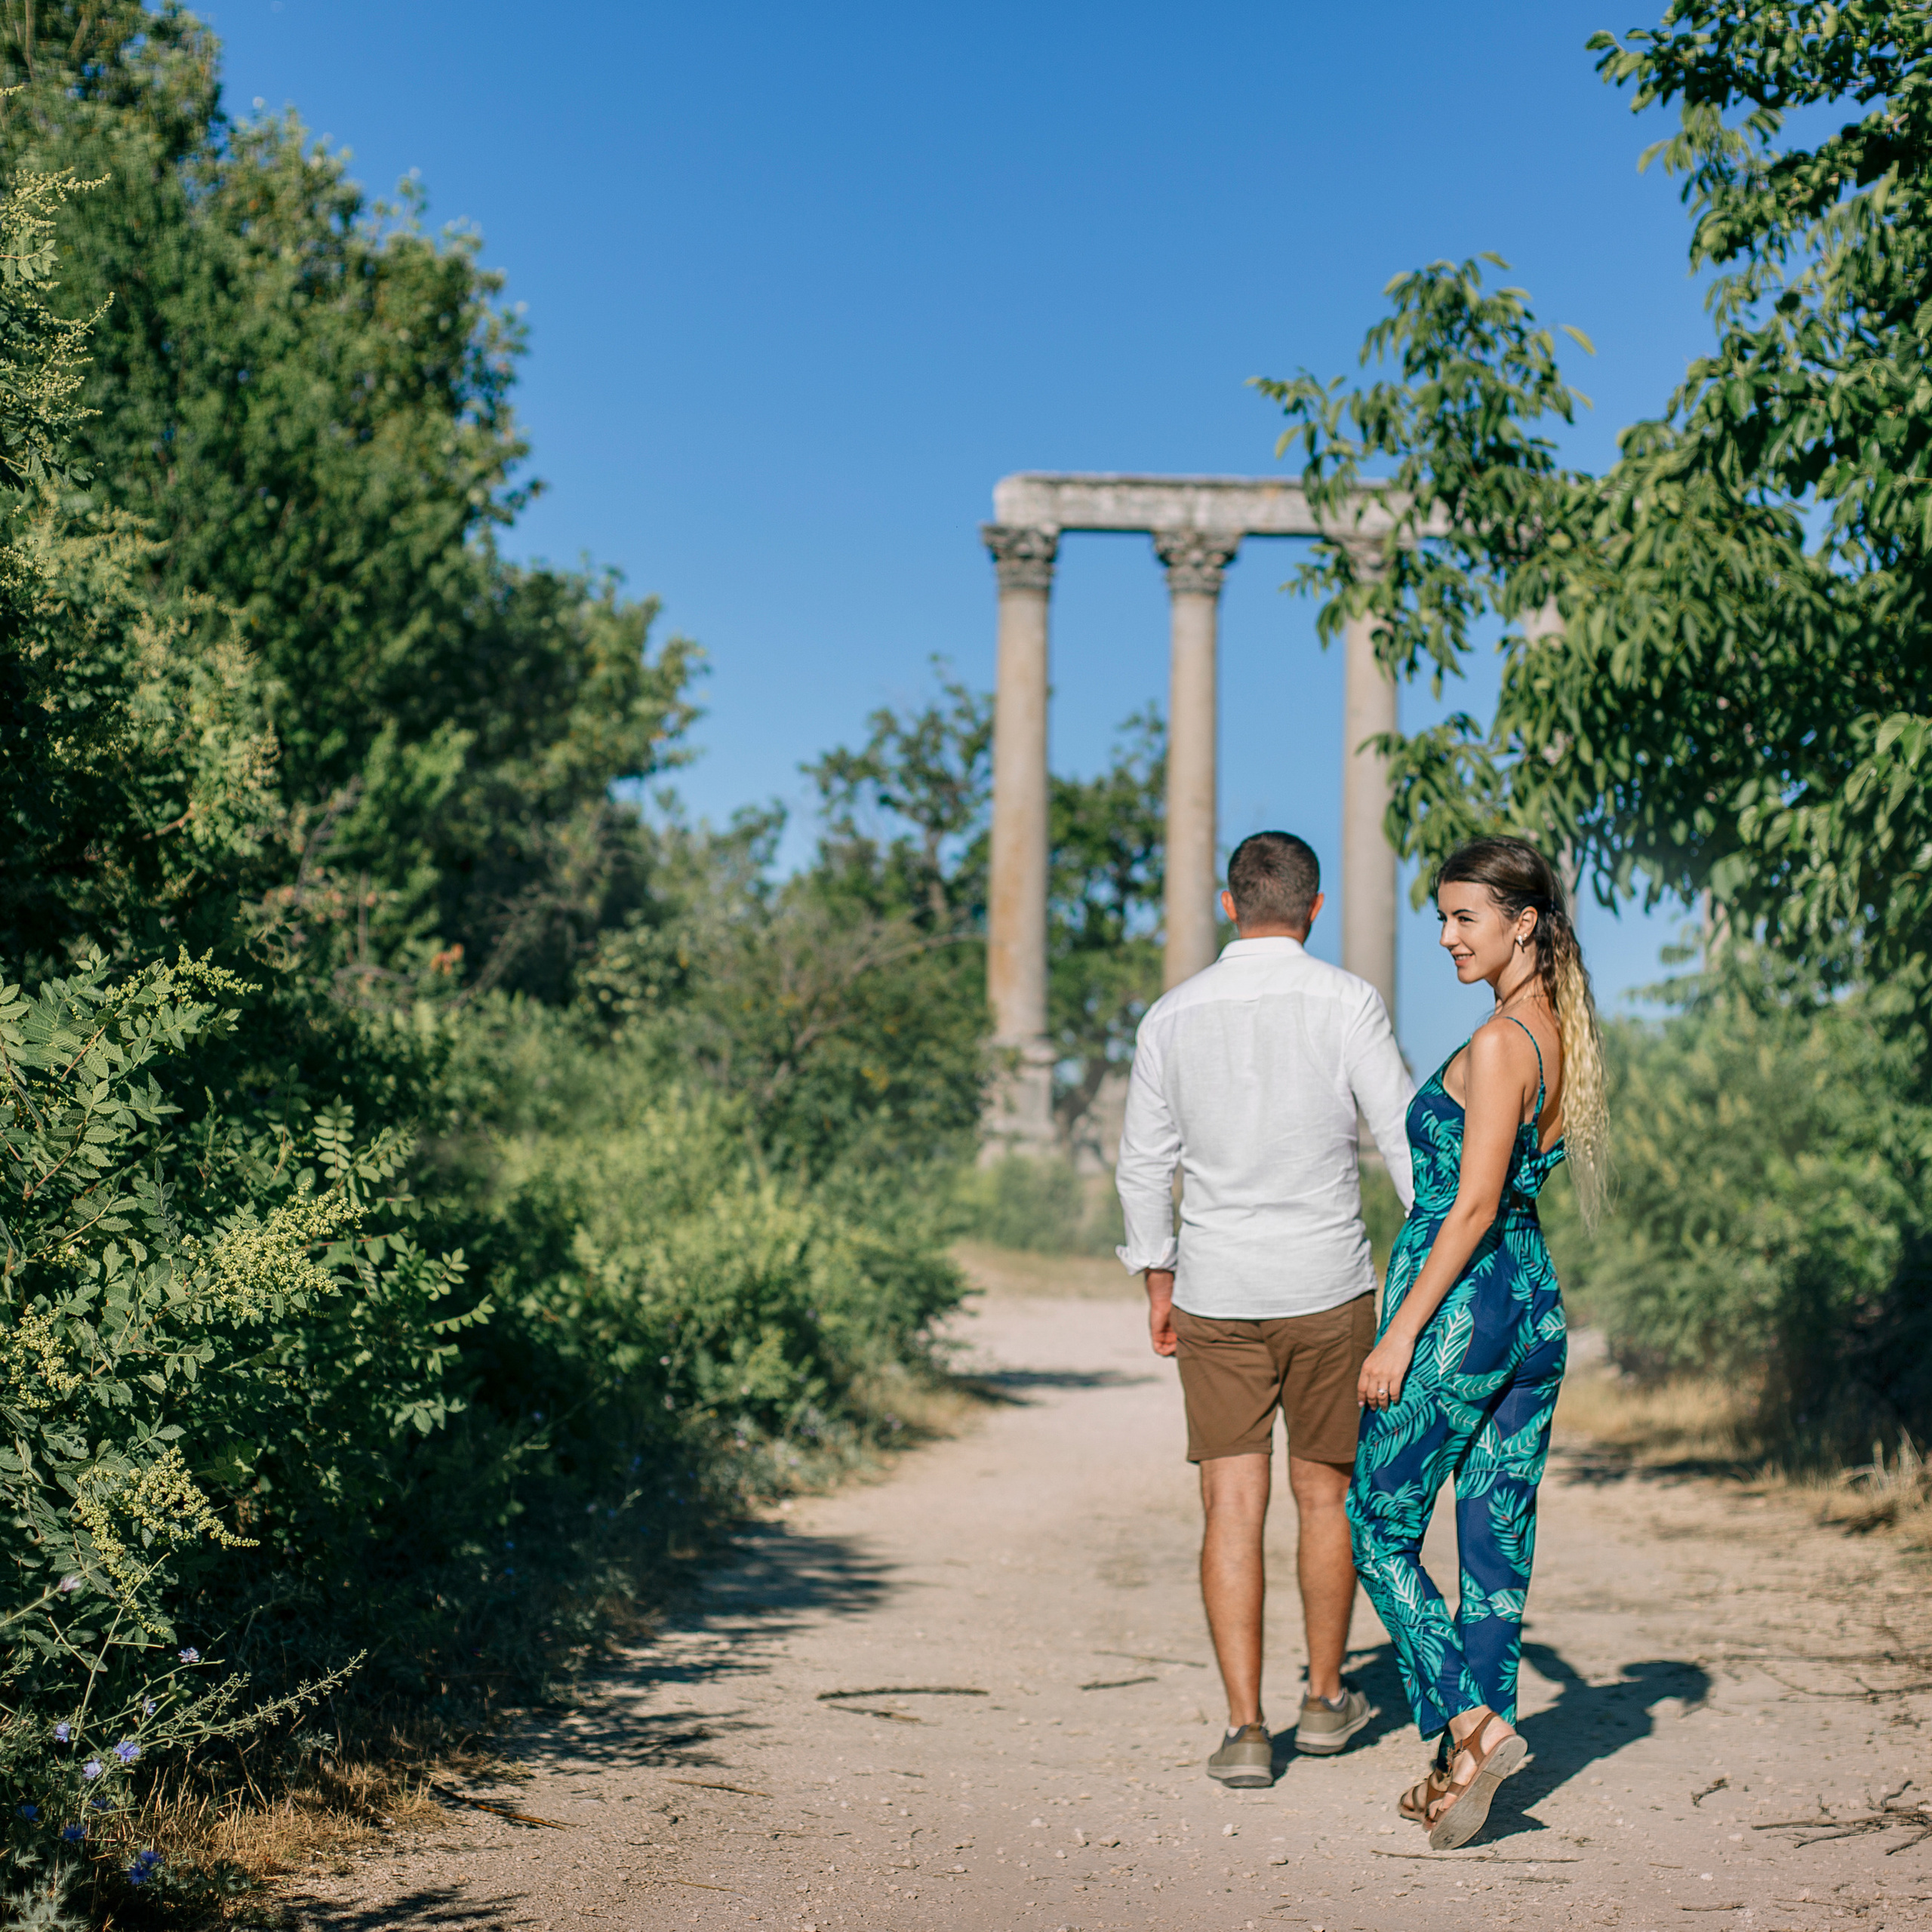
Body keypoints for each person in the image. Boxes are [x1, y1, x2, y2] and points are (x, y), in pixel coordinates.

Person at [1115, 830, 1414, 1789]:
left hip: (1216, 1290)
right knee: (1324, 1496)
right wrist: (1434, 1262)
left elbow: (1141, 1164)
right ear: (1314, 907)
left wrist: (1158, 1280)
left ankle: (1246, 1729)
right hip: (1329, 1287)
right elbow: (1405, 1141)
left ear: (1228, 902)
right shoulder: (1346, 1001)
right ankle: (1325, 1700)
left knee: (1229, 1504)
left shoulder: (1172, 1014)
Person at [1346, 835, 1609, 1851]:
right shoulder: (1561, 1030)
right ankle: (1464, 1781)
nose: (1449, 938)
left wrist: (1397, 1337)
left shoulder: (1501, 1042)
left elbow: (1470, 1207)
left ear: (1523, 923)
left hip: (1463, 1307)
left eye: (1465, 918)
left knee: (1375, 1522)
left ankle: (1477, 1723)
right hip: (1532, 1302)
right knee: (1496, 1548)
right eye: (1443, 919)